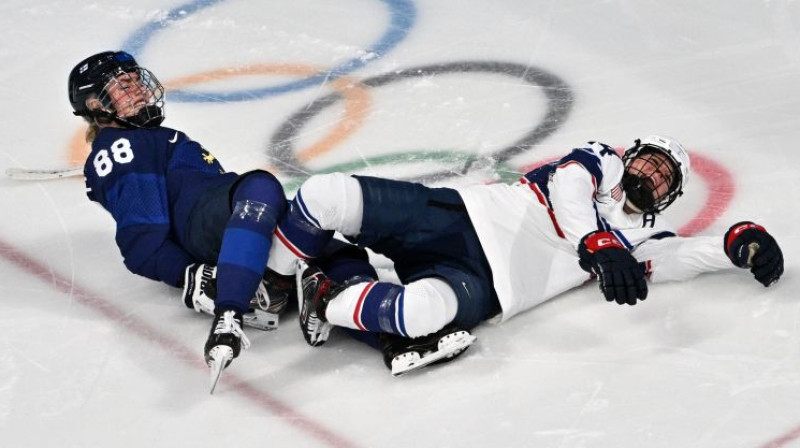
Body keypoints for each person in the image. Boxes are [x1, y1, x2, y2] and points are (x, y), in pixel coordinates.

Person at [265, 136, 785, 371]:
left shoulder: (647, 237)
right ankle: (273, 280)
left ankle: (325, 293)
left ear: (669, 195)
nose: (651, 174)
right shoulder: (602, 163)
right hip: (459, 216)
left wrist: (737, 245)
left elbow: (678, 259)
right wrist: (595, 243)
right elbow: (568, 185)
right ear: (632, 157)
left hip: (492, 287)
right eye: (650, 162)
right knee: (326, 195)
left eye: (663, 176)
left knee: (417, 314)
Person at [68, 51, 391, 389]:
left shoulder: (140, 141)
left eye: (136, 80)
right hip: (210, 220)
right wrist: (189, 275)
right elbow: (141, 241)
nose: (138, 89)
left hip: (241, 227)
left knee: (341, 255)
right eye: (122, 85)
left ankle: (389, 340)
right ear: (95, 104)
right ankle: (232, 310)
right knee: (260, 185)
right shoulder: (120, 146)